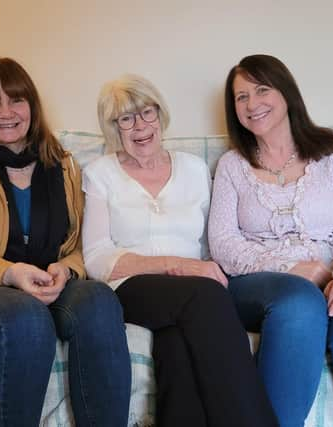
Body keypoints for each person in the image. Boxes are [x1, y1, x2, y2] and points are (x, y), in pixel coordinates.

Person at [0, 57, 131, 427]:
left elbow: (79, 245)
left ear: (31, 106)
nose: (6, 112)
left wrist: (67, 269)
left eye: (16, 100)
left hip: (49, 287)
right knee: (26, 320)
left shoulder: (63, 164)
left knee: (99, 299)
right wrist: (8, 273)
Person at [208, 54, 333, 427]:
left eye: (262, 89)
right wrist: (293, 268)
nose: (252, 104)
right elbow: (223, 244)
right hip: (259, 284)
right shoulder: (232, 166)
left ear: (286, 92)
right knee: (298, 306)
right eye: (241, 97)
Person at [82, 73, 277, 427]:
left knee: (176, 346)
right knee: (203, 297)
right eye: (126, 118)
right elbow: (96, 259)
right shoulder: (100, 174)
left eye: (147, 113)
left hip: (186, 297)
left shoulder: (195, 168)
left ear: (160, 114)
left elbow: (212, 243)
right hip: (129, 288)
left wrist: (200, 268)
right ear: (114, 127)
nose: (140, 126)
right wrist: (178, 265)